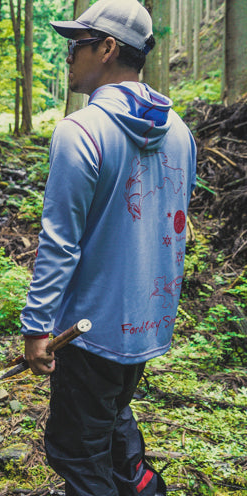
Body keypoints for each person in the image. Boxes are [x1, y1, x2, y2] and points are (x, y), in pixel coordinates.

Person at [18, 0, 197, 494]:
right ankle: (141, 484)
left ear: (108, 48)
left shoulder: (80, 131)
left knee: (75, 451)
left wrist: (36, 327)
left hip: (86, 331)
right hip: (147, 325)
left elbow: (60, 244)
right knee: (111, 413)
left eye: (77, 45)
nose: (68, 56)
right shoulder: (181, 133)